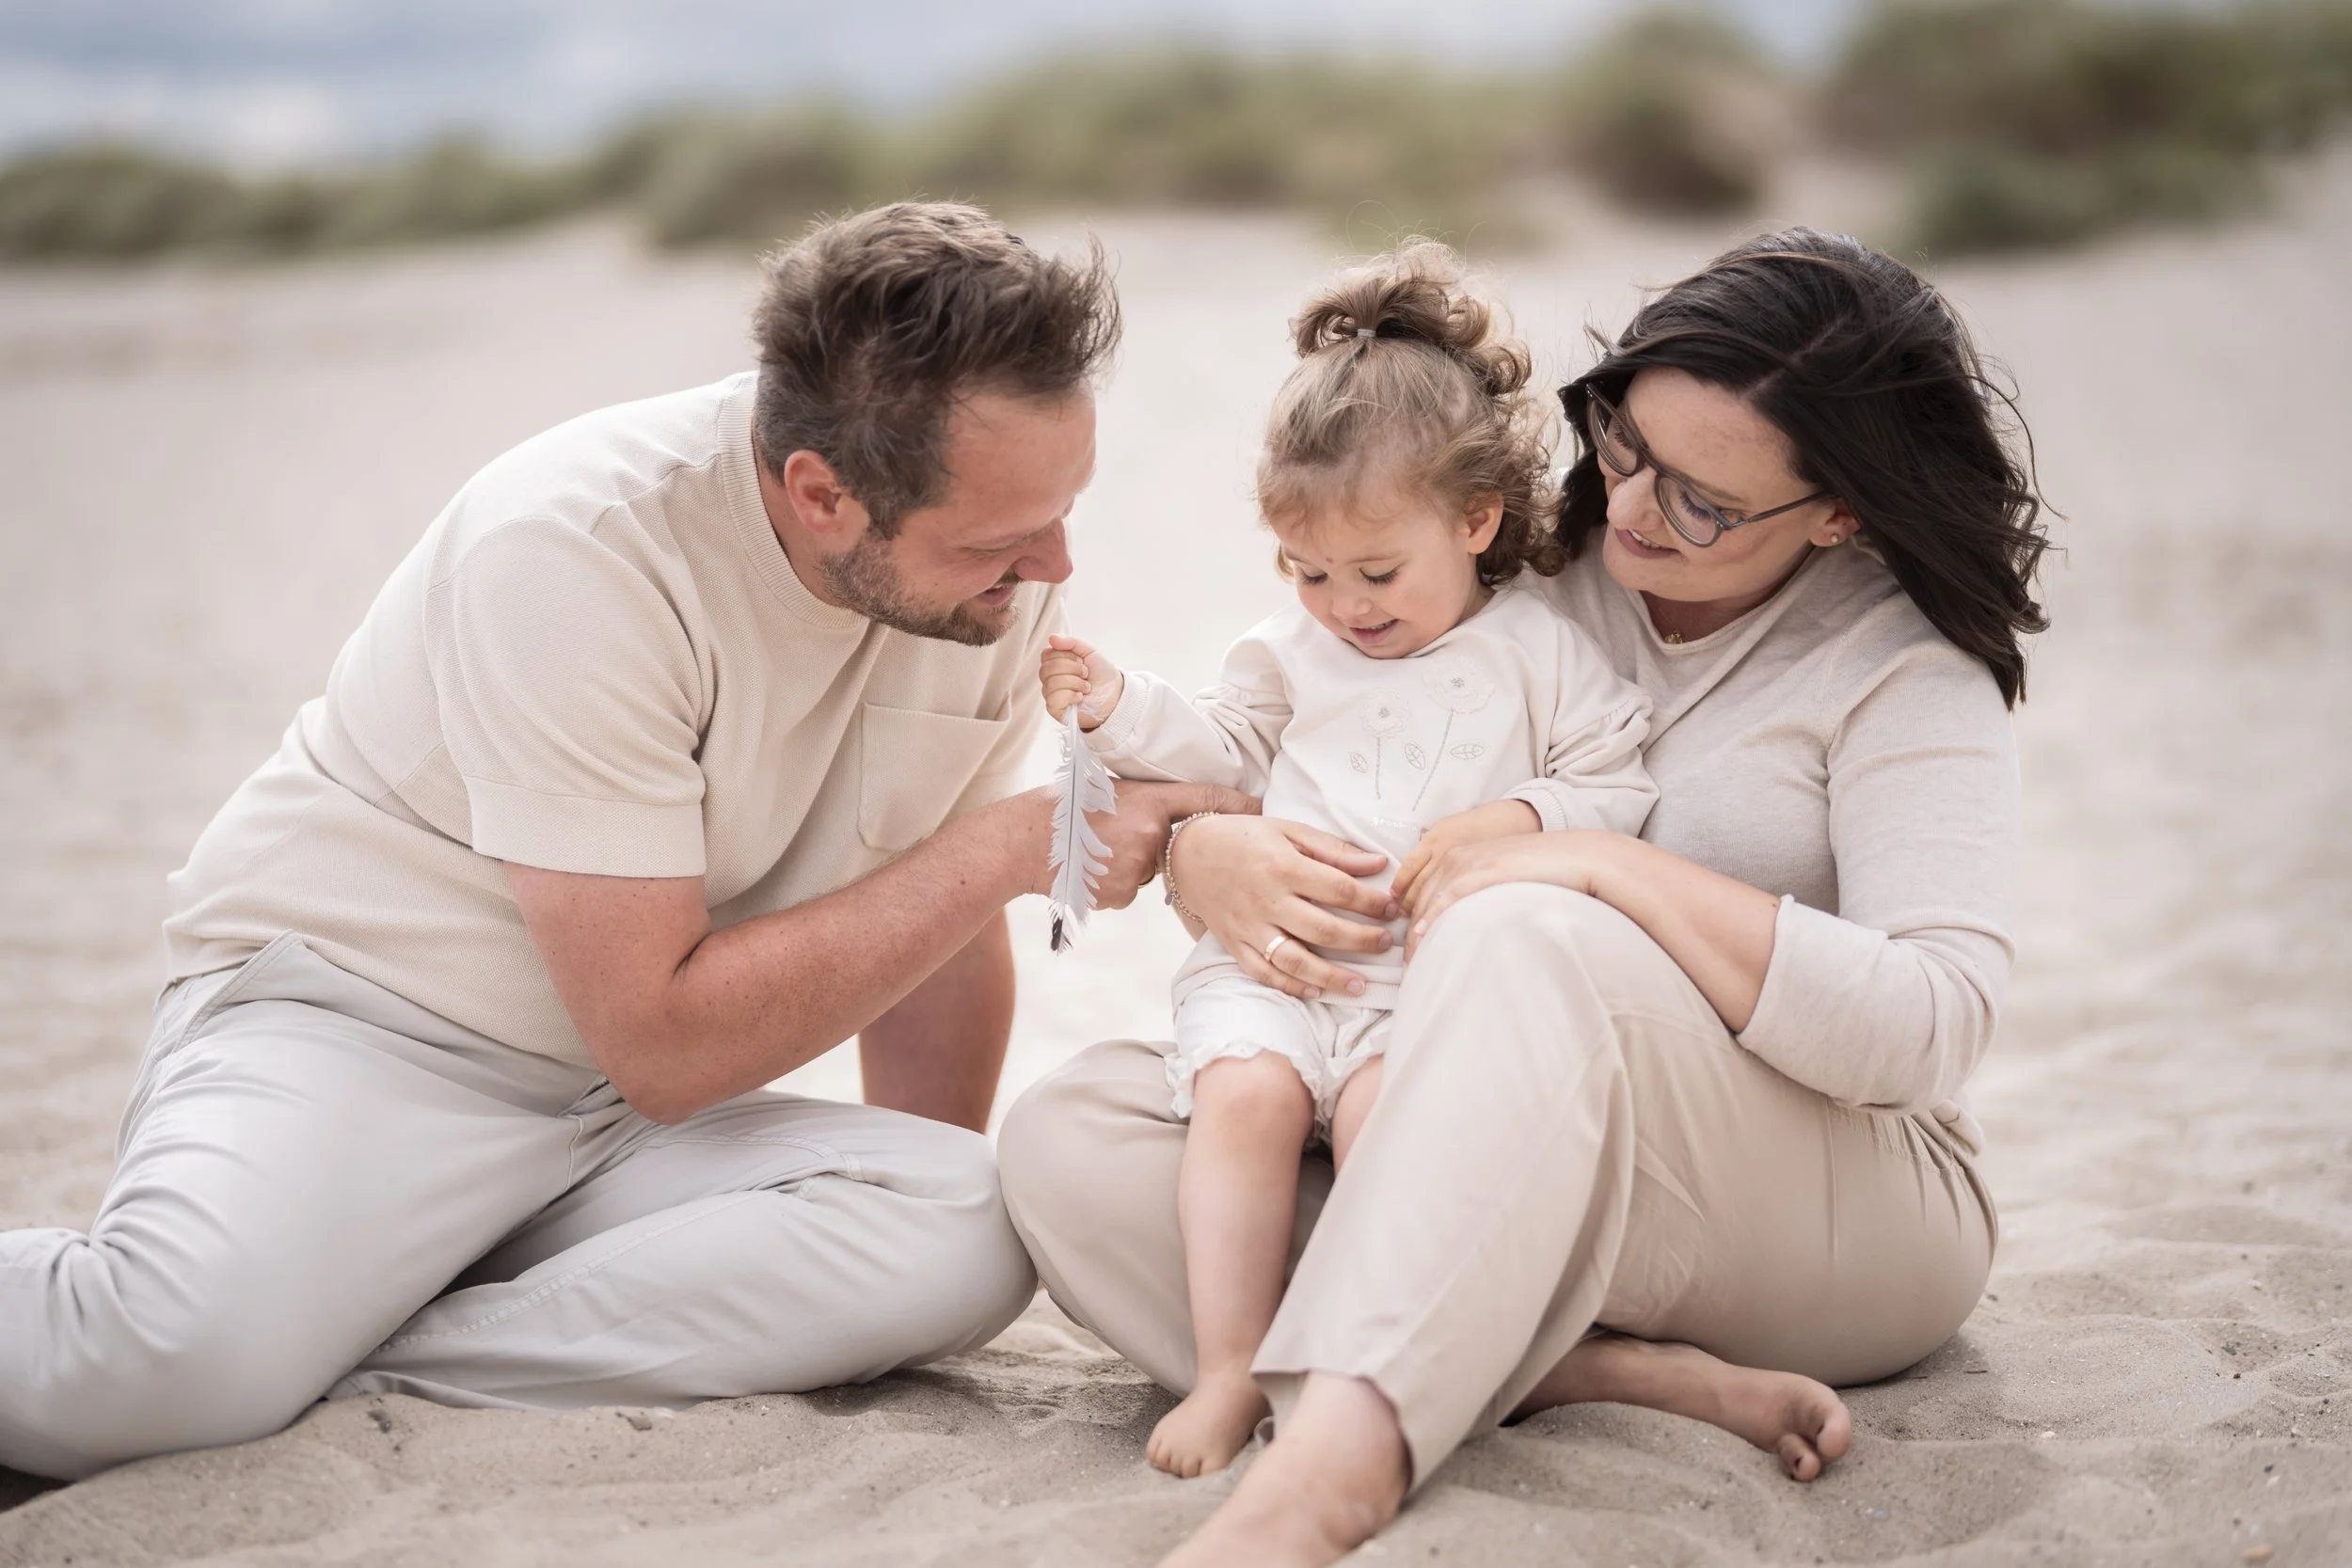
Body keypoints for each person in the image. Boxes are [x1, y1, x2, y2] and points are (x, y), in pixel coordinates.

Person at [0, 201, 1245, 1482]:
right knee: (153, 1363)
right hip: (352, 1033)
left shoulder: (988, 588)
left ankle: (360, 1352)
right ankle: (272, 1323)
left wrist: (919, 1132)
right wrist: (1019, 844)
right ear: (822, 493)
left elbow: (926, 928)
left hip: (607, 1120)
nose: (1052, 563)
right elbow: (664, 1038)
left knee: (962, 1224)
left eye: (1061, 509)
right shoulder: (576, 548)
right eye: (1000, 537)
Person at [998, 227, 2047, 1567]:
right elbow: (1318, 757)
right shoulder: (1519, 569)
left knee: (1520, 923)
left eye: (1704, 500)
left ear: (1837, 509)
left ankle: (1328, 1474)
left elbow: (1927, 1029)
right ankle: (1599, 1370)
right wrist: (1210, 855)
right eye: (1621, 446)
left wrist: (1605, 864)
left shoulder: (1902, 668)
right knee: (1072, 1137)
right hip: (1479, 1103)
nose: (1635, 511)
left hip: (1825, 1195)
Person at [1037, 244, 1656, 1478]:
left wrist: (1518, 821)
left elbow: (1618, 782)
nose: (1345, 604)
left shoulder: (1539, 651)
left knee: (1397, 1127)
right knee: (1246, 1100)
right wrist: (1118, 704)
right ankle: (1228, 1366)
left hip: (1417, 996)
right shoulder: (1290, 656)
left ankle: (1390, 1355)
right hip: (1277, 973)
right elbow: (1219, 748)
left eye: (1377, 572)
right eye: (1309, 571)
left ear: (1477, 520)